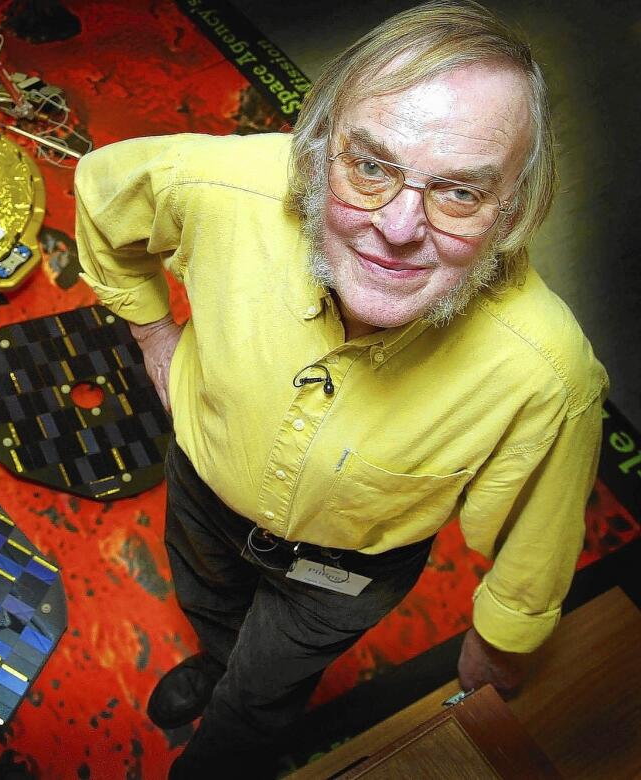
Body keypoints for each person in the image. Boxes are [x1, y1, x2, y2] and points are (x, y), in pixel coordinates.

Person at [73, 1, 608, 775]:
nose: (396, 227)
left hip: (346, 574)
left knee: (264, 697)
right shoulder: (226, 186)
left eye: (459, 191)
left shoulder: (546, 371)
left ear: (514, 212)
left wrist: (502, 640)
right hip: (201, 486)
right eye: (370, 165)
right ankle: (221, 661)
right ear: (317, 147)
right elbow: (101, 189)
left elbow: (537, 531)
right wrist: (155, 332)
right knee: (209, 607)